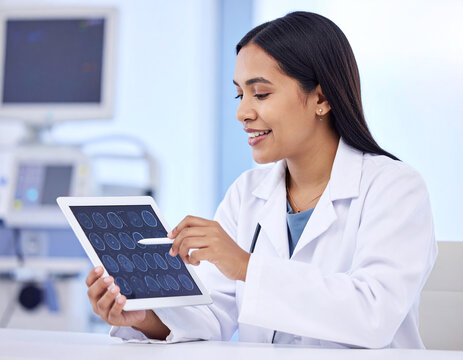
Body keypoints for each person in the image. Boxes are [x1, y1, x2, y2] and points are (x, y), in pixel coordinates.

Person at [85, 11, 436, 348]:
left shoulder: (394, 188)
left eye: (261, 94)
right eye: (240, 94)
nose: (242, 112)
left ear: (322, 97)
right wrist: (143, 317)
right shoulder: (248, 193)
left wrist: (245, 266)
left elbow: (373, 315)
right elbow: (212, 314)